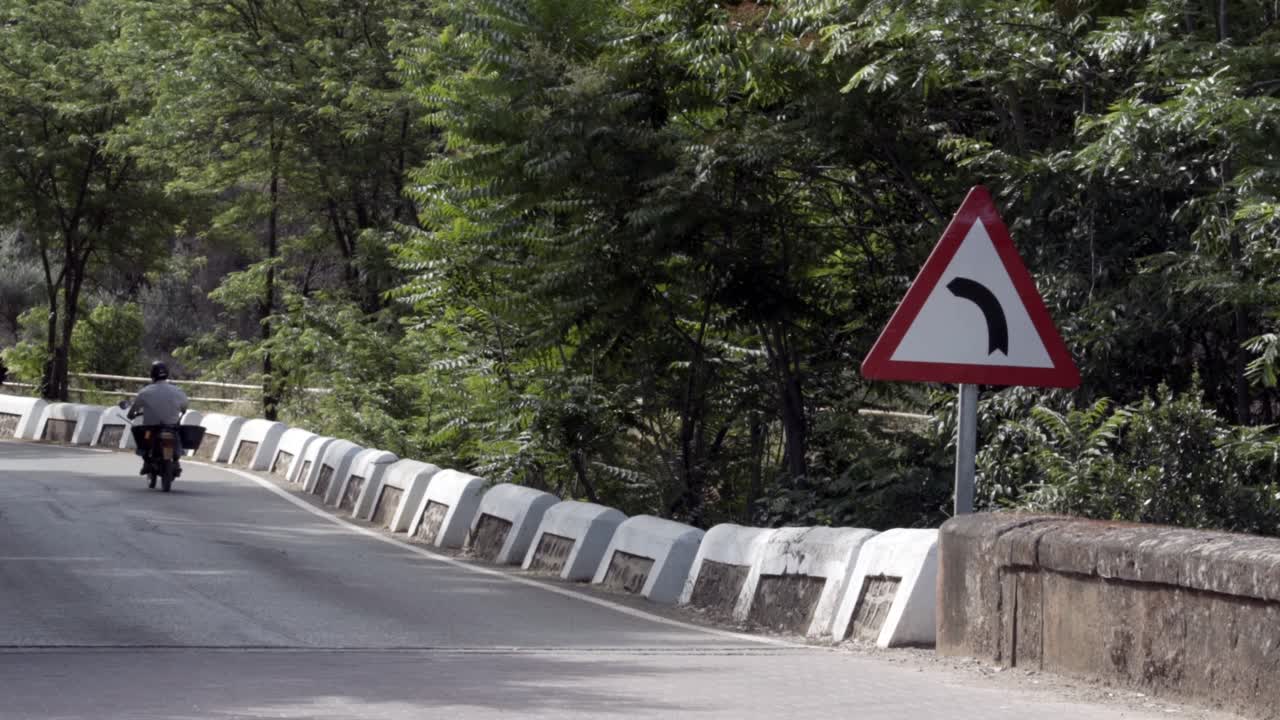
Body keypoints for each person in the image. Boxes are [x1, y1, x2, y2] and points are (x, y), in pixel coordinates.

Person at [127, 361, 189, 479]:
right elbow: (185, 406)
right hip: (171, 427)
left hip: (150, 429)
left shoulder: (145, 391)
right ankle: (176, 460)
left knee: (143, 442)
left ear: (152, 375)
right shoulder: (177, 391)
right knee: (178, 436)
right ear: (167, 374)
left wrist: (131, 415)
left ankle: (146, 462)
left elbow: (134, 409)